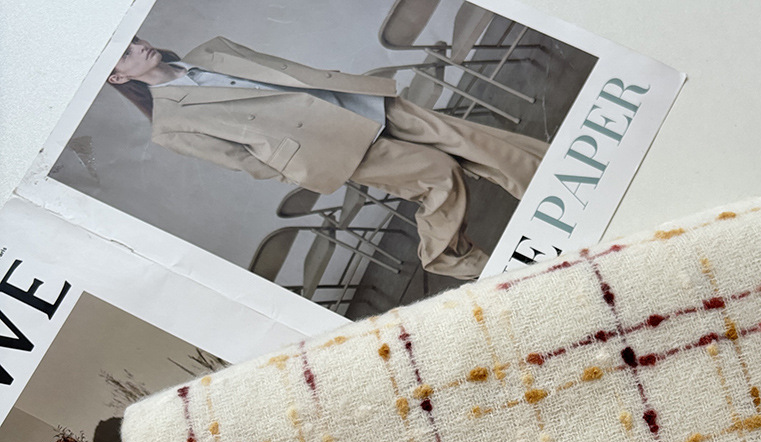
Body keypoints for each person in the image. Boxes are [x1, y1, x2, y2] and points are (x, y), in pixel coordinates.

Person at [106, 36, 549, 279]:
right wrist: (299, 164)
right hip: (332, 147)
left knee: (465, 137)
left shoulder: (209, 50)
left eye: (135, 41)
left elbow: (281, 68)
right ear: (118, 77)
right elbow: (242, 160)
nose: (140, 47)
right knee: (440, 175)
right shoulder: (169, 127)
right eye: (127, 54)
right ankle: (446, 256)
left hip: (349, 98)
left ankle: (547, 176)